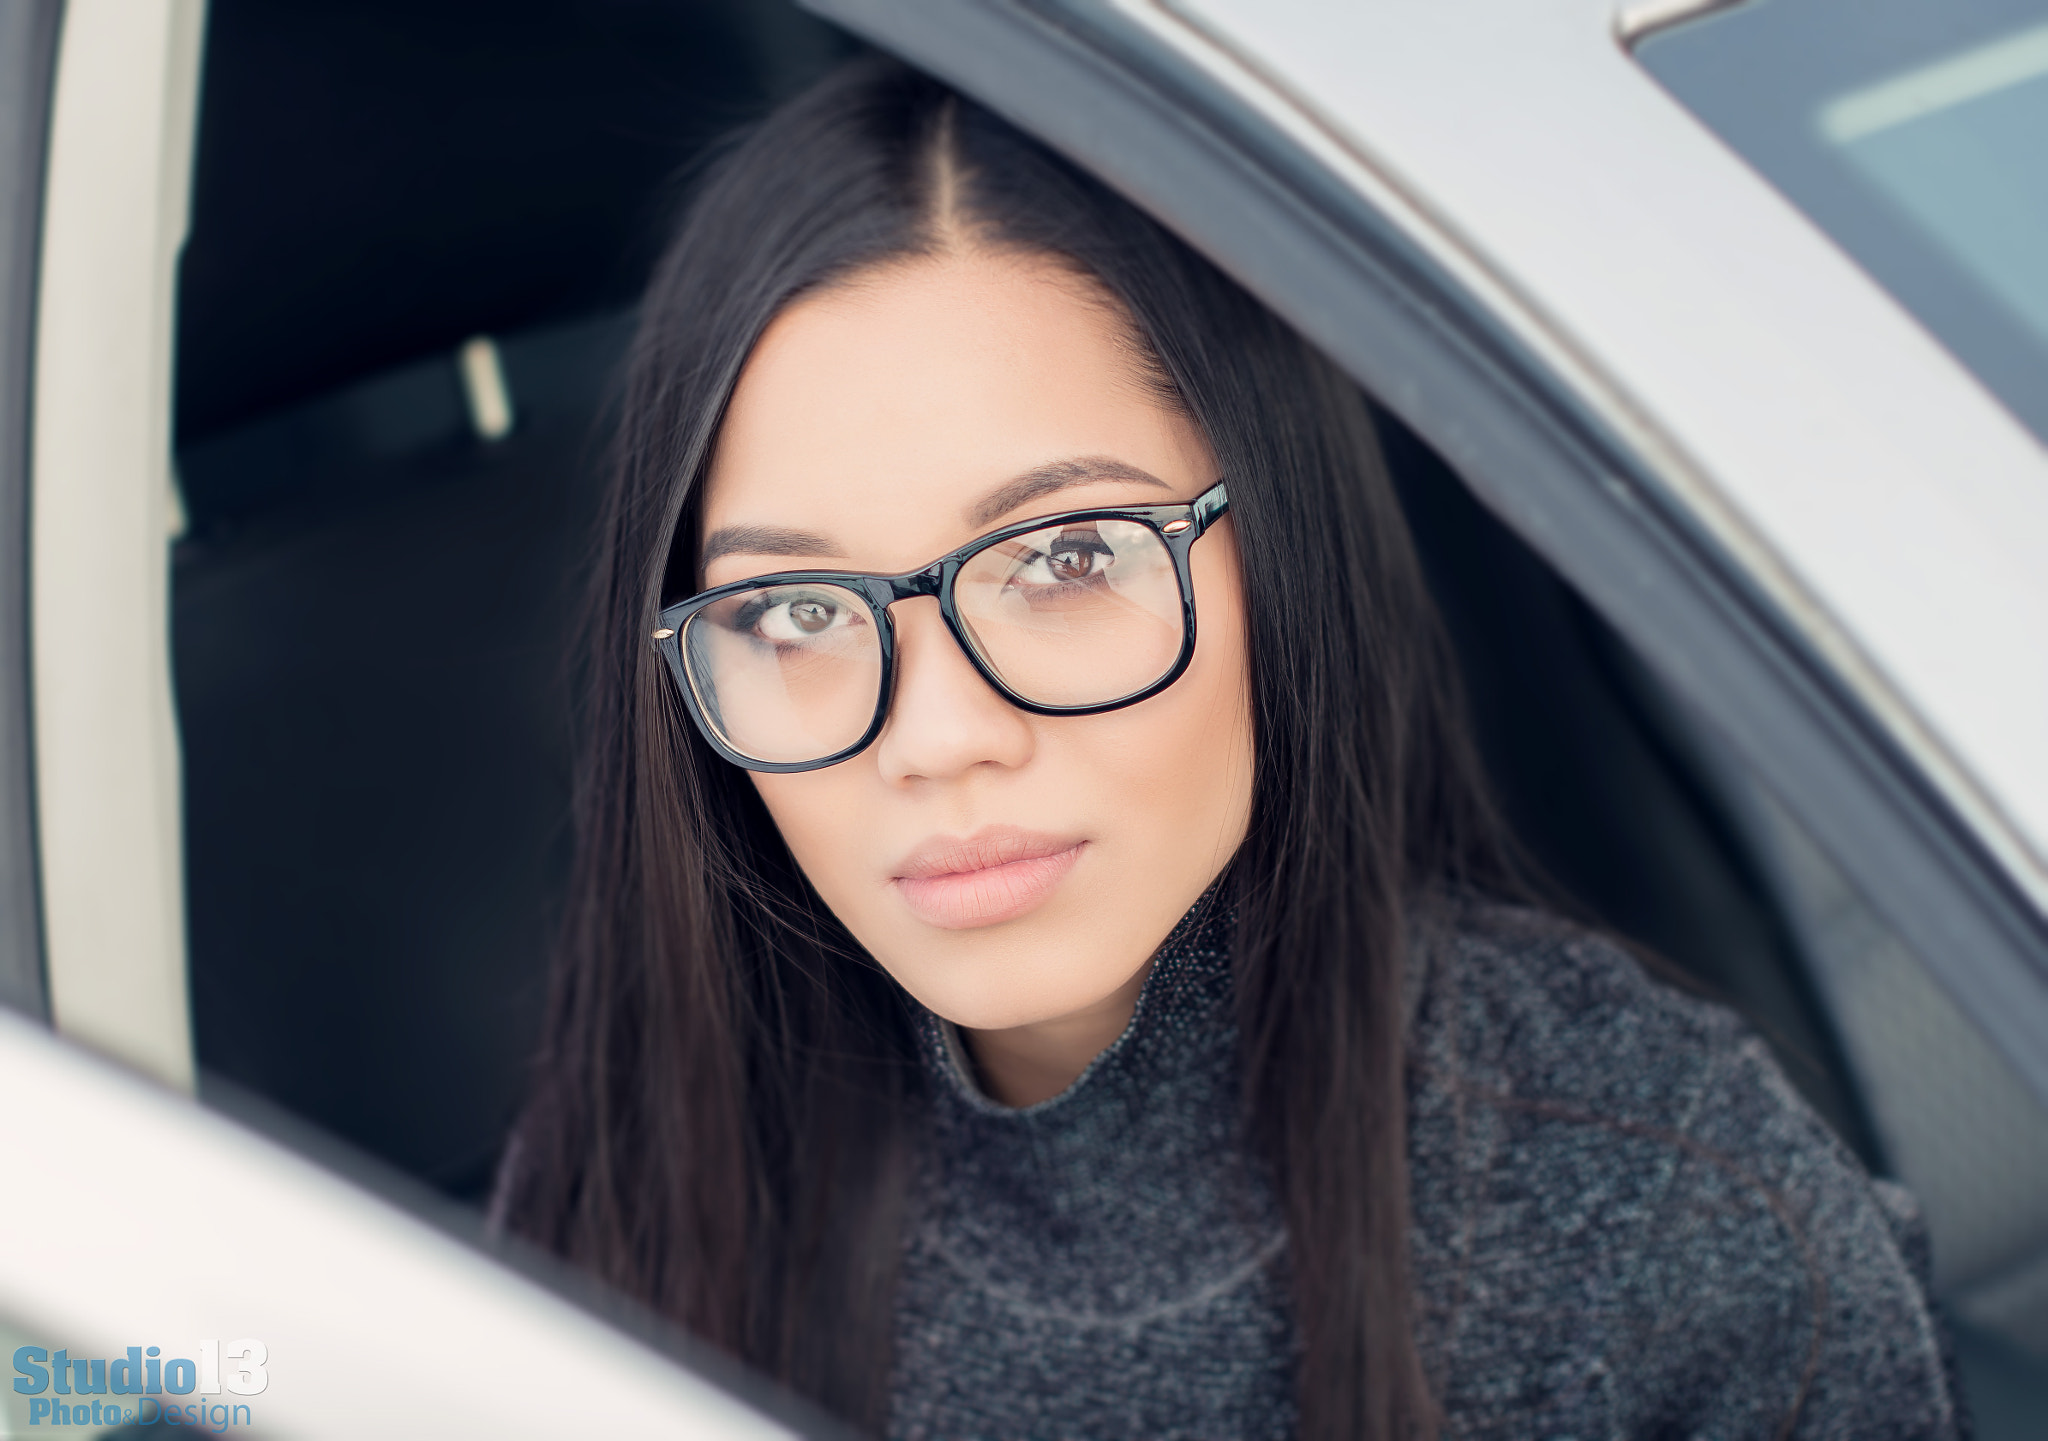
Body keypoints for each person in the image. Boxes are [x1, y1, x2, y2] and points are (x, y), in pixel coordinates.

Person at [494, 55, 1964, 1441]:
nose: (939, 737)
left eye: (1067, 561)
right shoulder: (634, 1165)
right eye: (798, 608)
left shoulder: (1663, 1197)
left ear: (1283, 551)